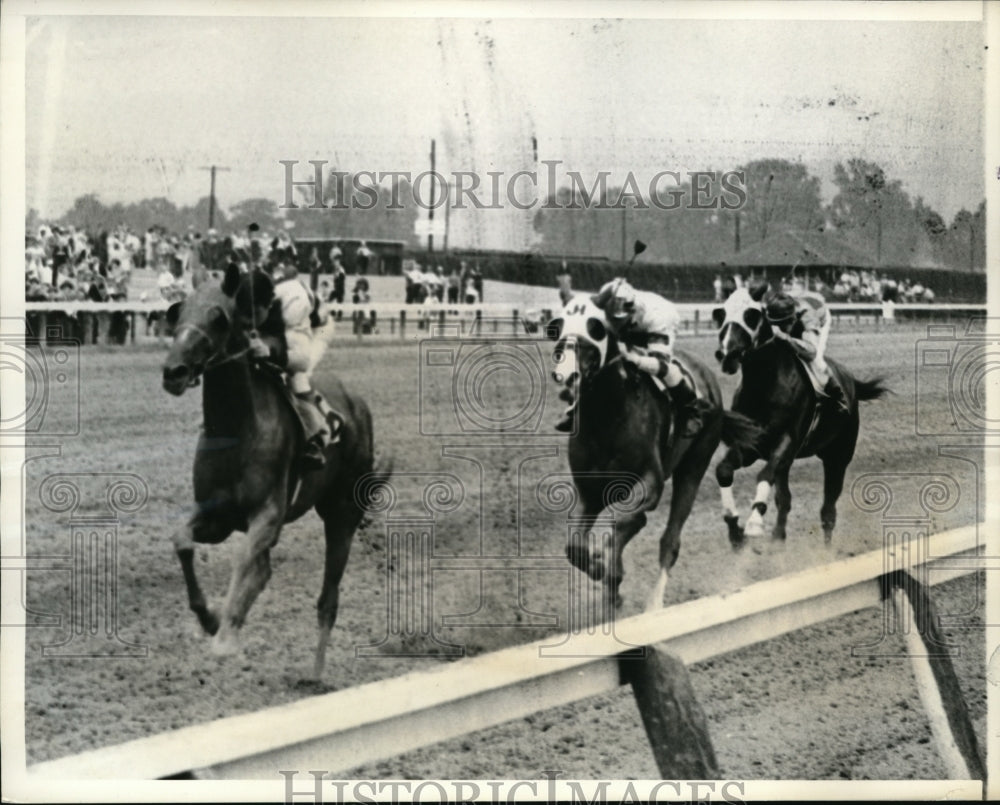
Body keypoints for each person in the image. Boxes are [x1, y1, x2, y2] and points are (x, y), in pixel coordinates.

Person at [554, 278, 711, 436]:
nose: (614, 325)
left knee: (663, 371)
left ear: (631, 312)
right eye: (611, 319)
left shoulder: (659, 317)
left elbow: (659, 363)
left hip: (655, 327)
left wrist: (634, 358)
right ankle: (578, 405)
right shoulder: (605, 299)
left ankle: (690, 411)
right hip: (630, 320)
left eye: (618, 320)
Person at [248, 261, 335, 469]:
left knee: (298, 377)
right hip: (295, 325)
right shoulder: (268, 295)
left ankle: (320, 429)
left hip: (318, 330)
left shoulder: (292, 304)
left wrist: (270, 353)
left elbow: (300, 359)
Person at [763, 290, 849, 413]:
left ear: (792, 320)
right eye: (775, 324)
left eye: (782, 325)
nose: (778, 328)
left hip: (819, 314)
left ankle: (838, 396)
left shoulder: (808, 317)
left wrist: (786, 338)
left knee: (818, 362)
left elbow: (811, 352)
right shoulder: (772, 309)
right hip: (798, 303)